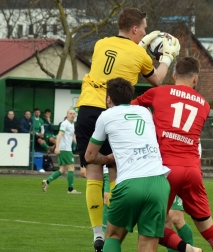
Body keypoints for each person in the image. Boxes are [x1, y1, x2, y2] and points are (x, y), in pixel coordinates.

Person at [74, 7, 180, 251]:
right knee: (115, 172)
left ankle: (97, 233)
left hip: (88, 108)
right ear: (135, 29)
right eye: (143, 27)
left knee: (92, 172)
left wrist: (139, 44)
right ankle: (114, 227)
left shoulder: (101, 43)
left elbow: (118, 56)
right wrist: (166, 58)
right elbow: (157, 79)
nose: (145, 30)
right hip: (113, 112)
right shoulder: (139, 55)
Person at [132, 56, 213, 252]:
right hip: (192, 170)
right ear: (196, 79)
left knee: (151, 227)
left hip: (167, 169)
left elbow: (129, 109)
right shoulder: (204, 104)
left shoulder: (158, 93)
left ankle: (188, 249)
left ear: (174, 74)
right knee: (209, 229)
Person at [84, 78, 173, 252]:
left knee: (113, 236)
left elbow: (89, 155)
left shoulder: (106, 116)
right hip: (158, 182)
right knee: (147, 243)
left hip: (130, 183)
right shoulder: (144, 112)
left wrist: (108, 159)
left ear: (109, 98)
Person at [166, 139, 202, 252]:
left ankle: (190, 249)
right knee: (164, 222)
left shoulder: (183, 130)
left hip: (178, 172)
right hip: (162, 175)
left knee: (176, 218)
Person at [42, 109, 80, 194]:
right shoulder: (65, 123)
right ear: (67, 115)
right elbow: (59, 136)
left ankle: (47, 181)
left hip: (66, 148)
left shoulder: (72, 124)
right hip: (65, 149)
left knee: (62, 170)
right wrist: (57, 148)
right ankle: (70, 189)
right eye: (70, 113)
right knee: (71, 167)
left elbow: (72, 136)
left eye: (74, 114)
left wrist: (79, 144)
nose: (72, 115)